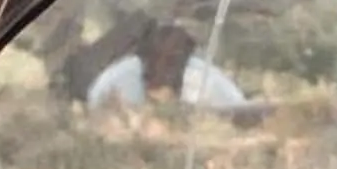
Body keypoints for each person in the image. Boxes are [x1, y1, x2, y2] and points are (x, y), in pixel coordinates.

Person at [84, 21, 247, 109]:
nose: (161, 69)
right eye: (156, 59)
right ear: (143, 58)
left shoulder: (209, 83)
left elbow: (240, 113)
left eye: (172, 62)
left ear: (186, 61)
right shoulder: (116, 81)